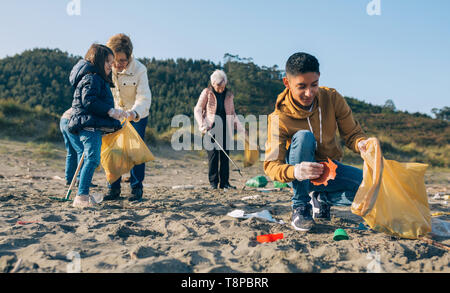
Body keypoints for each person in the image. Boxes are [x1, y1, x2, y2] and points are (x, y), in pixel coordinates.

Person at [264, 52, 369, 232]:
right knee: (304, 136)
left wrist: (361, 144)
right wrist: (296, 170)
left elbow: (352, 133)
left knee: (371, 190)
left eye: (314, 85)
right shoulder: (277, 118)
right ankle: (301, 207)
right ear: (287, 83)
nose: (309, 92)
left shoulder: (332, 98)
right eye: (301, 86)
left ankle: (321, 198)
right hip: (298, 174)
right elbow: (271, 165)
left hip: (329, 170)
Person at [67, 44, 128, 208]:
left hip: (92, 125)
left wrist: (113, 112)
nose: (111, 65)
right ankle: (81, 197)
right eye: (108, 61)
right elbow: (89, 101)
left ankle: (83, 194)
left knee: (90, 159)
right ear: (99, 60)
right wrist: (109, 110)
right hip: (88, 126)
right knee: (92, 159)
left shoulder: (96, 78)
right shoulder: (92, 77)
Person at [104, 33, 152, 202]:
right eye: (115, 61)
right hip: (114, 115)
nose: (118, 65)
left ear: (129, 56)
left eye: (123, 61)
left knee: (135, 151)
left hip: (136, 115)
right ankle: (113, 188)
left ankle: (136, 188)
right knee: (113, 151)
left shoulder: (140, 70)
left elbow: (144, 97)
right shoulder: (107, 69)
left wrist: (134, 113)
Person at [194, 69, 245, 190]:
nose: (221, 88)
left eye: (223, 86)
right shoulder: (207, 92)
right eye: (218, 86)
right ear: (213, 83)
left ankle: (225, 183)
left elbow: (232, 114)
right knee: (213, 157)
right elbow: (197, 109)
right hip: (210, 129)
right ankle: (213, 183)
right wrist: (202, 125)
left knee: (225, 157)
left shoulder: (229, 95)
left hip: (226, 129)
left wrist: (241, 129)